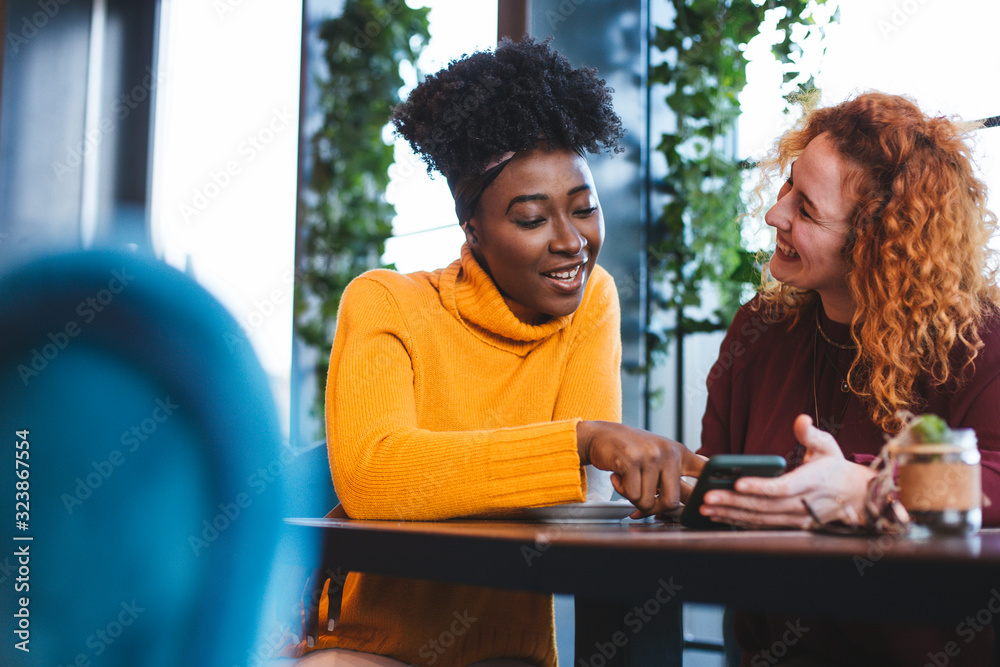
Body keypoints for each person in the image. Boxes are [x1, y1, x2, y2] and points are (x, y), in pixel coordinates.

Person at [294, 38, 704, 667]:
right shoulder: (383, 302)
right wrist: (579, 439)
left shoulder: (590, 300)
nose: (572, 243)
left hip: (509, 657)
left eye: (584, 209)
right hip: (367, 651)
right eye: (532, 219)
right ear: (473, 230)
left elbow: (576, 499)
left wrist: (620, 467)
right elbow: (375, 474)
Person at [697, 91, 1000, 665]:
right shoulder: (759, 329)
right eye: (787, 185)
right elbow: (718, 471)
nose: (774, 214)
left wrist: (872, 492)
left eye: (805, 209)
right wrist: (678, 479)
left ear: (876, 242)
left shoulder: (979, 342)